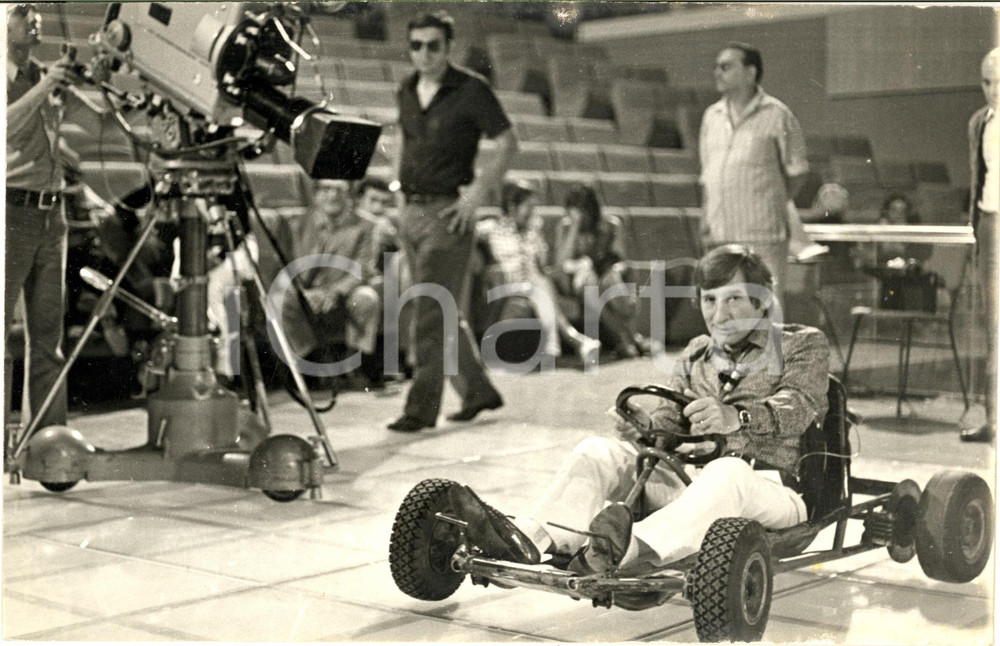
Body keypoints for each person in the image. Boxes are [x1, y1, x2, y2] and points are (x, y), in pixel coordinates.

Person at [447, 245, 830, 573]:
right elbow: (669, 417)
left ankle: (623, 550)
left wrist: (737, 417)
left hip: (769, 490)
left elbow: (800, 404)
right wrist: (646, 428)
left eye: (734, 299)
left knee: (726, 472)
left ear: (762, 300)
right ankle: (531, 539)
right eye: (709, 300)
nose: (719, 314)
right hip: (692, 488)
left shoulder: (800, 344)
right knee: (596, 451)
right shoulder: (697, 352)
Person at [387, 10, 517, 432]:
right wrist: (398, 196)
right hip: (411, 211)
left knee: (430, 311)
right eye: (416, 45)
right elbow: (403, 140)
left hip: (448, 214)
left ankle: (419, 409)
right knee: (438, 310)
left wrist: (476, 195)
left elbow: (507, 142)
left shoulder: (471, 89)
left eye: (433, 46)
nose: (424, 54)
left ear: (449, 47)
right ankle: (477, 391)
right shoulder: (406, 89)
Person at [5, 3, 86, 431]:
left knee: (48, 342)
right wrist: (46, 87)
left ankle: (48, 443)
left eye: (34, 8)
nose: (33, 14)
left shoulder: (41, 74)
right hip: (11, 212)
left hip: (52, 214)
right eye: (21, 10)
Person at [699, 43, 810, 308]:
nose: (717, 72)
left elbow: (798, 172)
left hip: (763, 234)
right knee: (724, 310)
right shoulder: (711, 116)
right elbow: (707, 176)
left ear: (750, 73)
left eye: (726, 66)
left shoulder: (778, 115)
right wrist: (706, 218)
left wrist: (770, 203)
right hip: (720, 232)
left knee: (765, 307)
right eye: (716, 67)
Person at [477, 180, 601, 365]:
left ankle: (555, 347)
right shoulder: (491, 228)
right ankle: (572, 342)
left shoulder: (532, 233)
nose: (532, 212)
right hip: (502, 285)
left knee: (539, 284)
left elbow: (542, 267)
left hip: (530, 286)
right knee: (538, 284)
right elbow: (468, 235)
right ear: (512, 207)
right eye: (528, 207)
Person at [277, 179, 383, 386]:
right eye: (326, 189)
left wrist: (334, 291)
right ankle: (310, 361)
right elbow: (285, 265)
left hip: (343, 292)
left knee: (366, 298)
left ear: (349, 195)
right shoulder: (296, 224)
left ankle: (354, 366)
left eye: (339, 189)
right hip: (306, 292)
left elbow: (362, 268)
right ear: (315, 194)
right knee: (283, 297)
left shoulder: (366, 226)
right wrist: (304, 292)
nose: (333, 195)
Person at [551, 184, 644, 358]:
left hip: (607, 275)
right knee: (591, 288)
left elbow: (621, 260)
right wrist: (574, 227)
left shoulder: (611, 225)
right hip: (580, 280)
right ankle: (628, 338)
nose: (579, 217)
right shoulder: (565, 227)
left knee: (611, 284)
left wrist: (612, 272)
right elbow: (560, 264)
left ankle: (627, 340)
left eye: (582, 212)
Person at [960, 47, 999, 443]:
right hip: (990, 225)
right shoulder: (979, 123)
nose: (993, 90)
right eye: (987, 82)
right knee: (994, 328)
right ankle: (994, 419)